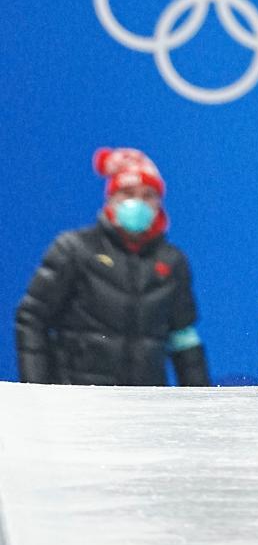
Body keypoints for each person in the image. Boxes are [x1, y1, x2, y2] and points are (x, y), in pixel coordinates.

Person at [15, 147, 210, 386]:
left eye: (148, 195)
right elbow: (32, 319)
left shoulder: (173, 261)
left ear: (159, 202)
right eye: (127, 193)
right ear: (111, 198)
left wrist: (202, 406)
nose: (137, 203)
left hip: (144, 404)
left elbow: (184, 339)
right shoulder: (73, 249)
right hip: (77, 399)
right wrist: (37, 389)